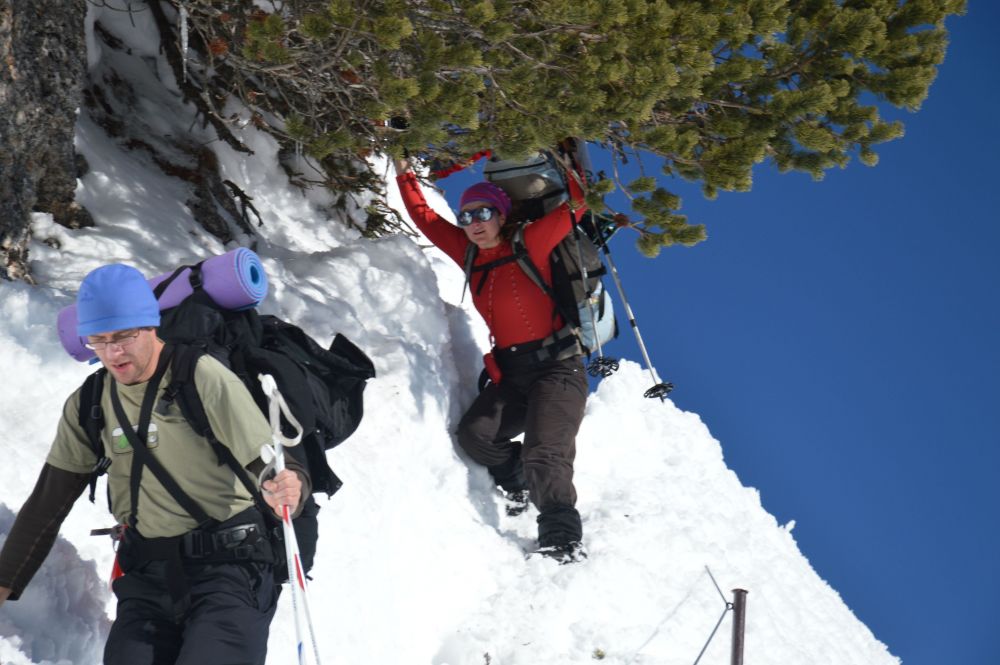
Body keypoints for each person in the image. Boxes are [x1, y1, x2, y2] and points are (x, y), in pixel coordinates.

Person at [0, 263, 309, 664]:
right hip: (148, 578)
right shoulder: (91, 403)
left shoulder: (201, 377)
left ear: (150, 326)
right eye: (99, 340)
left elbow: (269, 463)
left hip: (230, 572)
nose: (113, 353)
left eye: (124, 337)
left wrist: (287, 486)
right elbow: (48, 502)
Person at [395, 156, 589, 561]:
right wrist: (402, 168)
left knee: (546, 449)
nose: (473, 222)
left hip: (559, 367)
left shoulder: (530, 241)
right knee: (475, 434)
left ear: (501, 215)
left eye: (483, 213)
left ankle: (561, 536)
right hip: (514, 374)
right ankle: (516, 479)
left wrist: (571, 158)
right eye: (465, 216)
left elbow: (577, 205)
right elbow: (423, 216)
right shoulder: (467, 252)